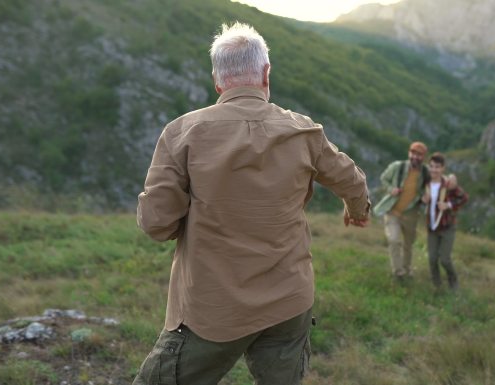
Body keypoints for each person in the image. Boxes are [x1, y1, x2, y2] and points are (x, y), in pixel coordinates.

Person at [133, 22, 370, 385]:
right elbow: (353, 180)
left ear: (218, 81)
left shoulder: (182, 134)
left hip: (213, 310)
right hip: (289, 302)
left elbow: (156, 225)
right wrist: (356, 211)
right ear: (266, 73)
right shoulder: (304, 130)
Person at [373, 141, 429, 282]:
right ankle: (398, 273)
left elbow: (428, 188)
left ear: (423, 157)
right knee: (394, 240)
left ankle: (407, 270)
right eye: (413, 154)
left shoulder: (425, 172)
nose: (415, 157)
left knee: (408, 244)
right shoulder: (398, 167)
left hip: (411, 213)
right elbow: (384, 178)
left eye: (419, 155)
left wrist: (425, 197)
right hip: (392, 210)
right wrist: (391, 188)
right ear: (409, 153)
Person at [421, 153, 469, 292]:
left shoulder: (448, 184)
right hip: (432, 226)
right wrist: (423, 200)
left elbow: (464, 198)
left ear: (443, 168)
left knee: (445, 259)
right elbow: (421, 198)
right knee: (432, 259)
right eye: (431, 166)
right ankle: (437, 286)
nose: (434, 170)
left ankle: (453, 283)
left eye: (437, 167)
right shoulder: (426, 183)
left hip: (447, 226)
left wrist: (448, 205)